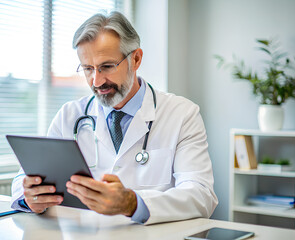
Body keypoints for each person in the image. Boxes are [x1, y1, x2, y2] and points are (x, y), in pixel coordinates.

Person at [11, 11, 218, 225]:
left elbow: (201, 196)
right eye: (88, 69)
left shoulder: (182, 114)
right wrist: (29, 197)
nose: (97, 80)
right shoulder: (69, 115)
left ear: (136, 59)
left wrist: (132, 203)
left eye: (107, 66)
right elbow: (23, 178)